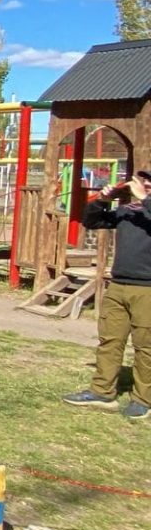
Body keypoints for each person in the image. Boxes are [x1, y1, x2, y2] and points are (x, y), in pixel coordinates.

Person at [63, 169, 151, 420]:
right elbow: (91, 221)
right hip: (119, 285)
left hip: (147, 290)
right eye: (143, 182)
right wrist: (103, 199)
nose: (143, 186)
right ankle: (102, 391)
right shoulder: (128, 213)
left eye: (149, 184)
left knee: (146, 346)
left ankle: (143, 399)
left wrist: (144, 199)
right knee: (110, 340)